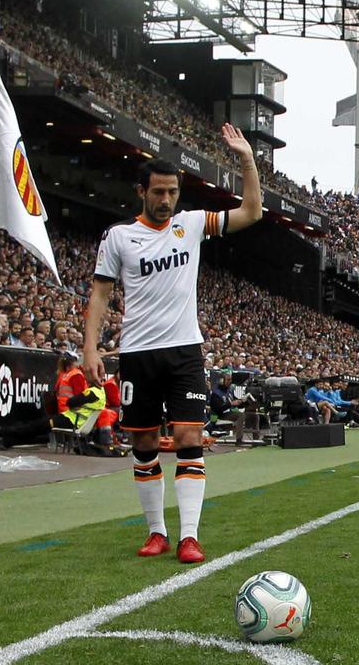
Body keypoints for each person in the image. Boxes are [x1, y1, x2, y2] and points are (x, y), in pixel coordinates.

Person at [83, 126, 261, 565]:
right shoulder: (119, 237)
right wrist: (90, 349)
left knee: (188, 437)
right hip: (138, 353)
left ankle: (189, 537)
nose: (167, 200)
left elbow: (252, 212)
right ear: (142, 191)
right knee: (143, 445)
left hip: (185, 350)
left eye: (173, 192)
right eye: (159, 192)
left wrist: (246, 159)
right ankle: (156, 532)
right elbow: (100, 295)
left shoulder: (192, 223)